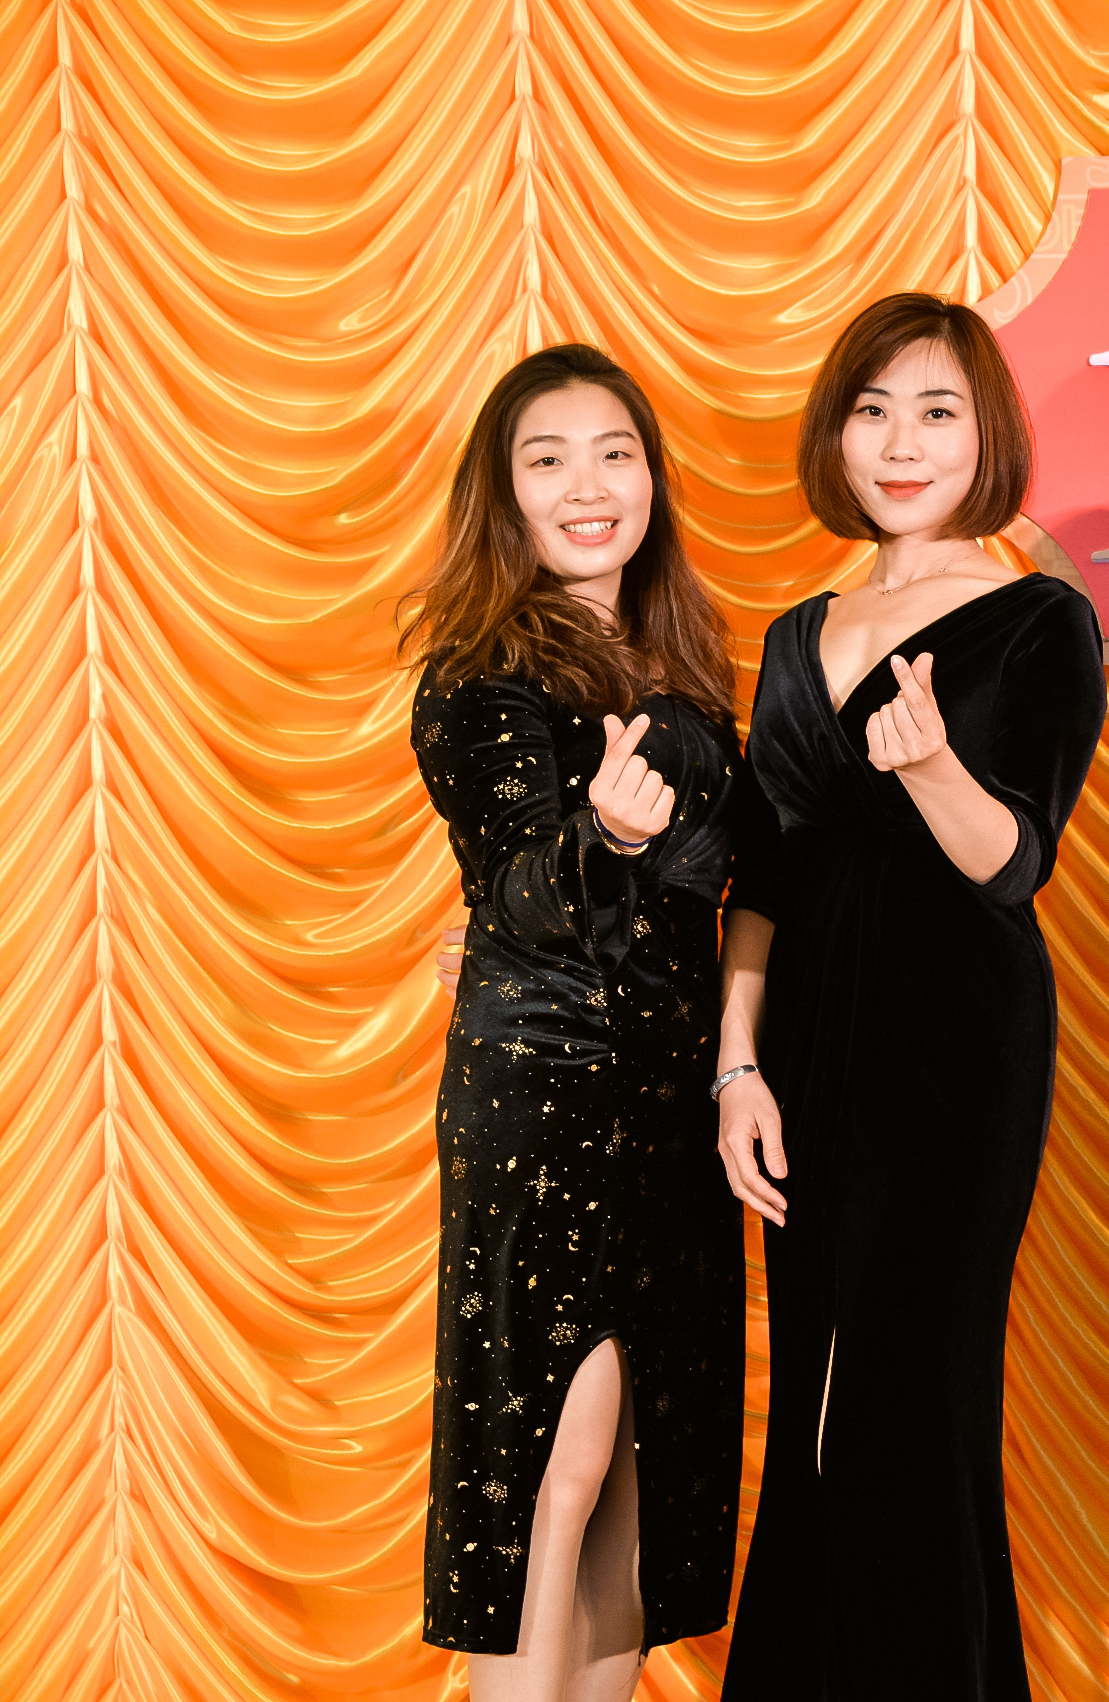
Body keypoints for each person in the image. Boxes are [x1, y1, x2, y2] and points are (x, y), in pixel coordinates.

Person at [709, 293, 1107, 1699]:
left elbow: (1016, 863)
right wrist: (736, 1067)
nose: (900, 443)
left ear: (986, 436)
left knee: (914, 1398)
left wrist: (933, 765)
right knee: (813, 1405)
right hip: (803, 1043)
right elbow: (761, 874)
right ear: (836, 434)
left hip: (958, 1049)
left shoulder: (1042, 618)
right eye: (872, 411)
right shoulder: (793, 633)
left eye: (937, 412)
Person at [404, 342, 744, 1700]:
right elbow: (517, 885)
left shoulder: (688, 663)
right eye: (547, 462)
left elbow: (733, 880)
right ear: (505, 495)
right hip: (546, 1104)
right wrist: (603, 835)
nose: (587, 487)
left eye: (614, 454)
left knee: (635, 1483)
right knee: (559, 1455)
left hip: (668, 1108)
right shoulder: (478, 674)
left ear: (652, 477)